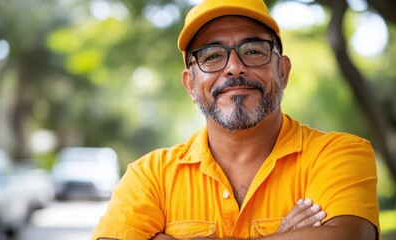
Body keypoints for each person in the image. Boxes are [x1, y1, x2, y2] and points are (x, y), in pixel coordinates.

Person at [91, 0, 380, 239]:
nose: (234, 68)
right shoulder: (149, 176)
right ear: (191, 85)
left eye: (253, 51)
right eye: (212, 55)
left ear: (283, 71)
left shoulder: (338, 154)